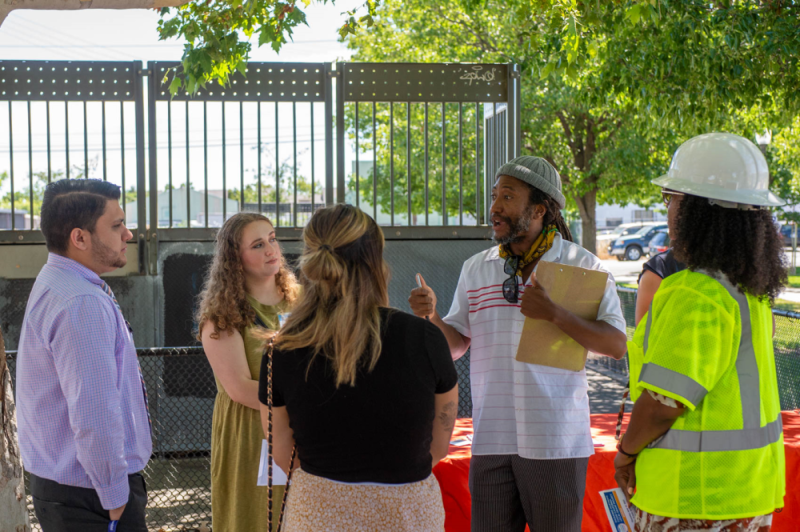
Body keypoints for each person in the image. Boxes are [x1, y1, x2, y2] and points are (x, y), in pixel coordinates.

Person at [410, 156, 628, 532]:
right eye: (495, 196)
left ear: (540, 209)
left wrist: (556, 313)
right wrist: (431, 318)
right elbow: (457, 345)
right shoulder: (476, 268)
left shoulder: (582, 265)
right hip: (491, 439)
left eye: (507, 197)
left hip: (556, 443)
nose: (494, 207)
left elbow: (616, 345)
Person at [615, 132, 787, 531]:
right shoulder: (748, 292)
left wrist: (624, 453)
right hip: (745, 494)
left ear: (699, 211)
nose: (668, 209)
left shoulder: (697, 293)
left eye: (672, 198)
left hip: (692, 501)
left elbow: (661, 405)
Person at [259, 204, 458, 532]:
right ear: (376, 262)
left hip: (317, 513)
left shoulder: (282, 347)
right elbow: (438, 445)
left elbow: (282, 454)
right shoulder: (425, 338)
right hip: (408, 513)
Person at [16, 178, 150, 531]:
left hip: (70, 490)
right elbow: (94, 414)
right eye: (117, 225)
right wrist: (115, 496)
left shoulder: (59, 282)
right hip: (91, 496)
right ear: (80, 237)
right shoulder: (81, 301)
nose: (129, 234)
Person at [196, 212, 299, 532]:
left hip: (301, 429)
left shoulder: (302, 303)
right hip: (251, 430)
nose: (271, 249)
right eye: (257, 244)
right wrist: (302, 398)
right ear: (234, 259)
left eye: (272, 238)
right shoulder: (223, 315)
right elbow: (239, 388)